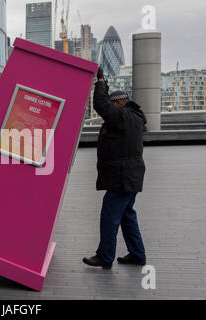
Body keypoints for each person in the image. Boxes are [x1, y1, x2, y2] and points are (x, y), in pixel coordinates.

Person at [82, 67, 147, 269]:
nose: (111, 108)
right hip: (130, 176)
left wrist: (100, 81)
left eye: (113, 104)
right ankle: (137, 254)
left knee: (110, 216)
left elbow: (101, 104)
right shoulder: (133, 117)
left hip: (122, 177)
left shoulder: (123, 116)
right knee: (127, 215)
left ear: (120, 102)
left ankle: (105, 256)